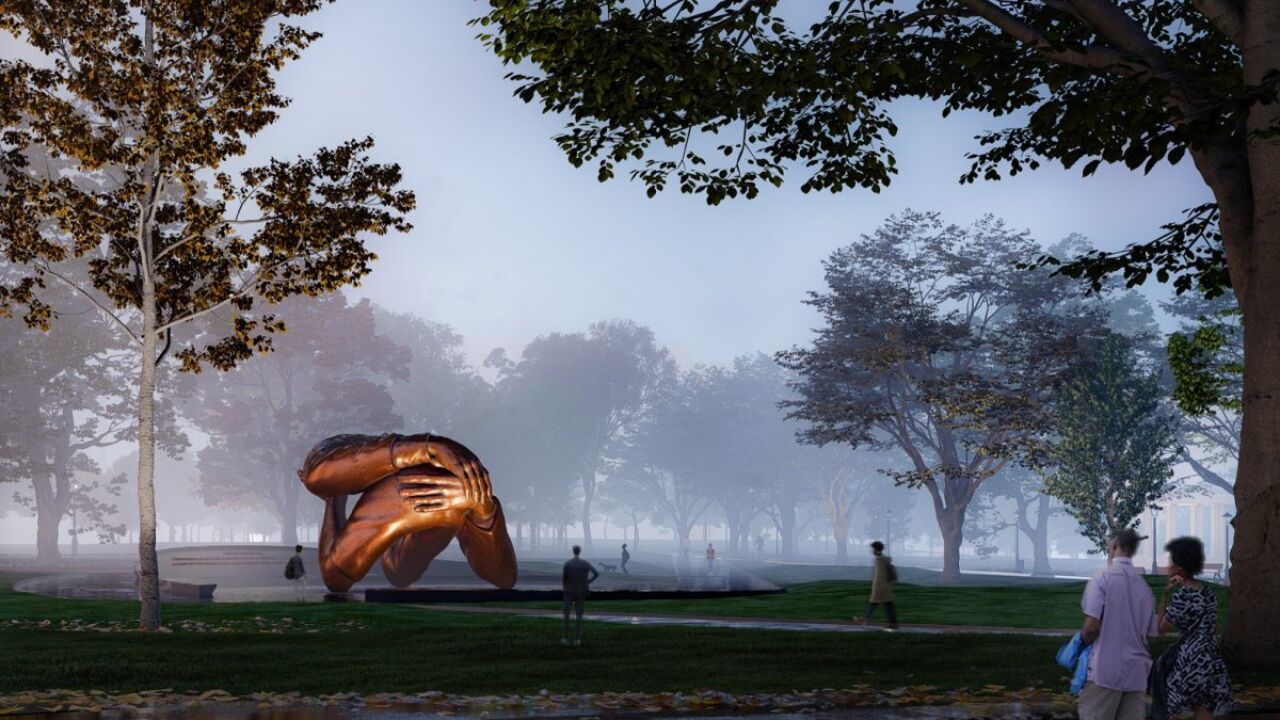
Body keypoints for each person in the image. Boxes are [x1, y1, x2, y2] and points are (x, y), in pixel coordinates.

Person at [298, 433, 518, 592]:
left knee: (349, 575)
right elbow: (504, 578)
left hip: (424, 486)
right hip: (443, 490)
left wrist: (430, 447)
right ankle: (427, 456)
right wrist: (484, 510)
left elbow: (505, 578)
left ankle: (337, 494)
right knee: (396, 572)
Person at [1077, 528, 1158, 720]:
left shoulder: (1101, 579)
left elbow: (1091, 627)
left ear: (1114, 547)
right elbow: (1150, 632)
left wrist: (1078, 645)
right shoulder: (1144, 589)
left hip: (1105, 670)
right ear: (1134, 551)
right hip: (1137, 673)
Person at [1153, 537, 1232, 720]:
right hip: (1210, 655)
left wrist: (1165, 595)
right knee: (1202, 707)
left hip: (1190, 657)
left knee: (1175, 705)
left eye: (1171, 560)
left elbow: (1160, 628)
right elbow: (1213, 625)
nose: (1168, 564)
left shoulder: (1183, 596)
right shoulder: (1207, 592)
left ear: (1180, 566)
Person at [854, 541, 897, 629]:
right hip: (884, 587)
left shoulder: (881, 560)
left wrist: (877, 588)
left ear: (876, 549)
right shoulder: (882, 559)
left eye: (873, 549)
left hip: (881, 587)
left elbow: (880, 576)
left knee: (877, 604)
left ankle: (865, 620)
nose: (872, 551)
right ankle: (893, 623)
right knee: (887, 605)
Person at [562, 545, 598, 646]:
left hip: (569, 591)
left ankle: (565, 637)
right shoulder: (585, 563)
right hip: (581, 591)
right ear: (580, 551)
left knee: (566, 615)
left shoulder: (568, 564)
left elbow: (564, 578)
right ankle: (577, 639)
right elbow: (596, 573)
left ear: (573, 551)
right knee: (579, 616)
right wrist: (588, 582)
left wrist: (565, 589)